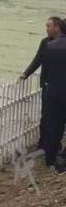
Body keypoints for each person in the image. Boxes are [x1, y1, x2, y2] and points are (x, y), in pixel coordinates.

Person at [18, 16, 65, 155]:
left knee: (58, 118)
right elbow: (38, 59)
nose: (46, 29)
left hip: (59, 85)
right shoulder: (45, 42)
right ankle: (43, 144)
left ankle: (54, 145)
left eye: (48, 26)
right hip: (47, 84)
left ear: (57, 27)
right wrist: (26, 74)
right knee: (45, 116)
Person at [40, 19, 66, 172]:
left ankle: (50, 159)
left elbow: (46, 71)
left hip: (54, 92)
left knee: (54, 126)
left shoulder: (50, 46)